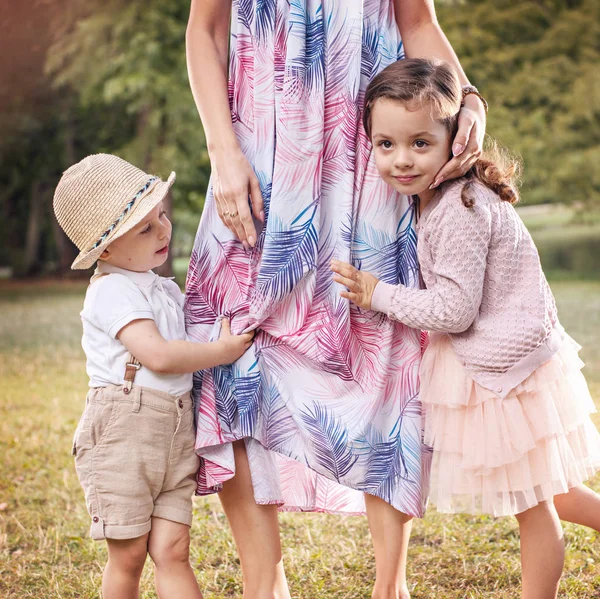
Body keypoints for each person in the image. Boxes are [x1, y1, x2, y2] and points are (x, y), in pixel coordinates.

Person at [185, 2, 487, 597]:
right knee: (234, 347)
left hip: (373, 155)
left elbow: (417, 21)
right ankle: (263, 581)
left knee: (384, 349)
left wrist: (469, 97)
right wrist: (222, 152)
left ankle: (389, 586)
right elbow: (207, 28)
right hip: (262, 151)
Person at [331, 57, 600, 599]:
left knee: (535, 502)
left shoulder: (458, 207)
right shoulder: (442, 197)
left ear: (456, 140)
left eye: (420, 144)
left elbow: (455, 311)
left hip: (509, 369)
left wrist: (376, 293)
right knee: (556, 488)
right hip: (510, 358)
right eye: (386, 145)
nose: (401, 160)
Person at [53, 154, 254, 599]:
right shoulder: (112, 290)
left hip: (175, 433)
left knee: (173, 548)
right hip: (125, 435)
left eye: (160, 216)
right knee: (128, 555)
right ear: (104, 249)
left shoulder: (159, 286)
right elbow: (158, 356)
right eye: (145, 228)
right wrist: (220, 352)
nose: (163, 230)